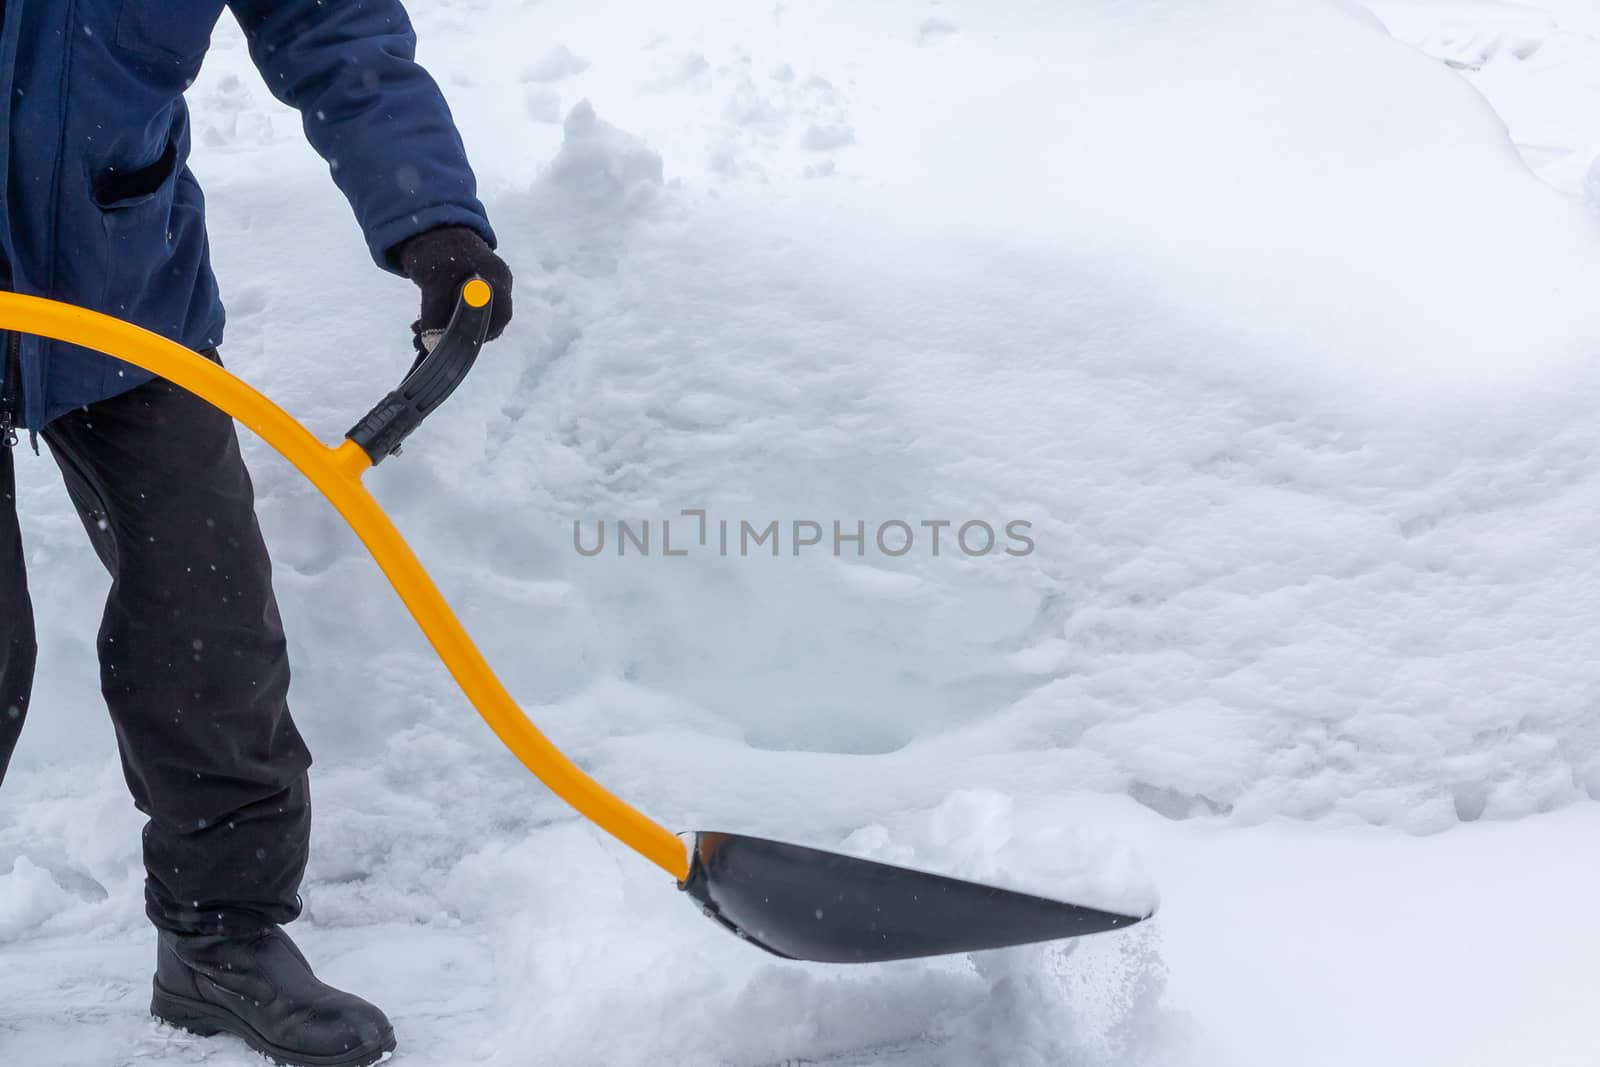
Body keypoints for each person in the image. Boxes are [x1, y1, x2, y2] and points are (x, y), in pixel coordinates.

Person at [0, 2, 513, 1064]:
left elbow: (335, 27)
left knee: (209, 618)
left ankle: (218, 934)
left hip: (119, 282)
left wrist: (434, 224)